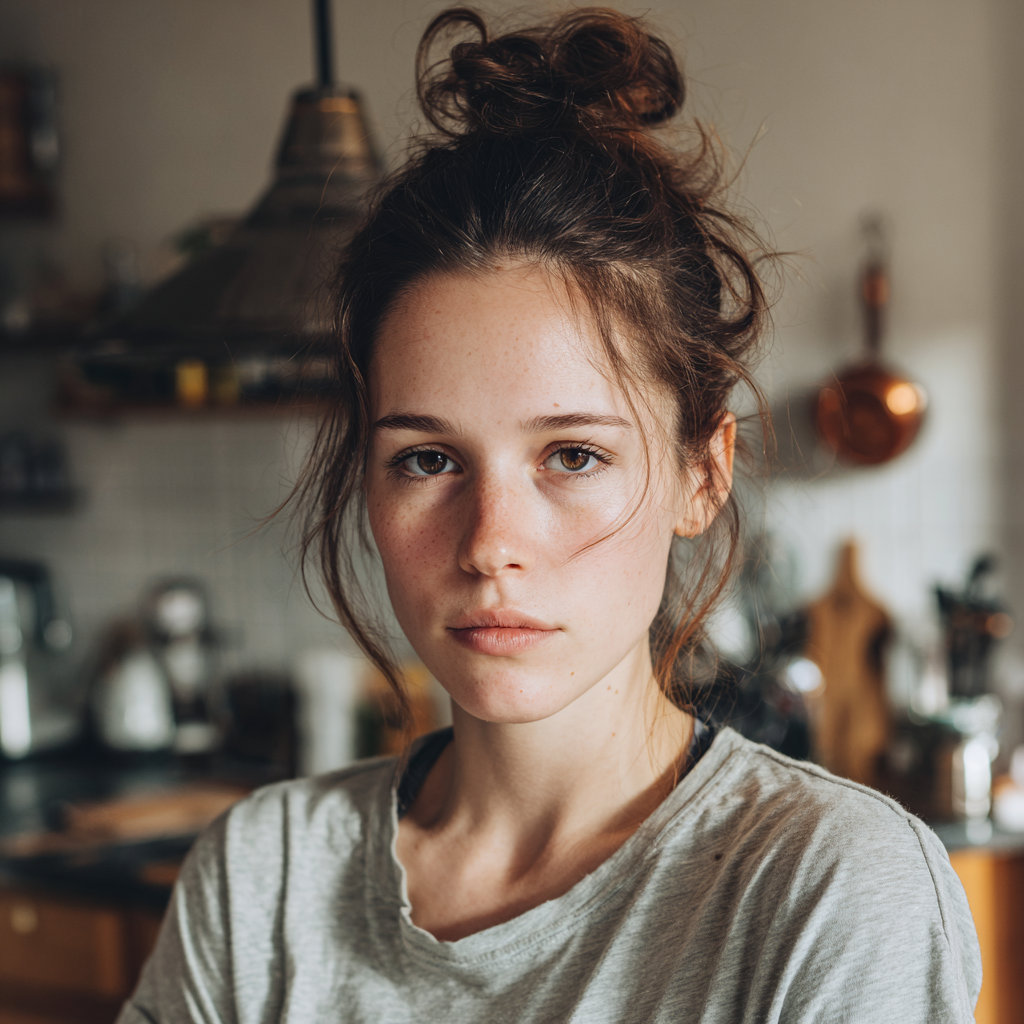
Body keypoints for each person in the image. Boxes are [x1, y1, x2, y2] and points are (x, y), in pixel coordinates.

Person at [119, 8, 981, 1022]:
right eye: (428, 459)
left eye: (572, 455)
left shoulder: (828, 888)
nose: (490, 543)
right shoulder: (261, 878)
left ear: (702, 474)